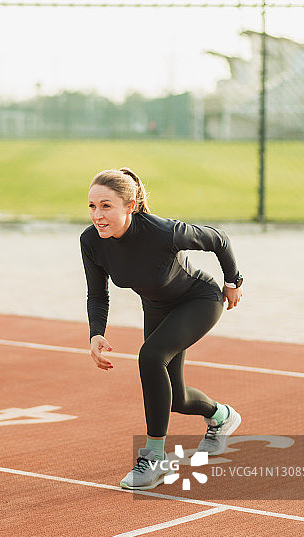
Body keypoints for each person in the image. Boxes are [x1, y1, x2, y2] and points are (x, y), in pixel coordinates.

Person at [80, 167, 243, 490]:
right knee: (175, 399)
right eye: (92, 206)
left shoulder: (162, 232)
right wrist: (96, 333)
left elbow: (218, 239)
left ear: (130, 206)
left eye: (106, 206)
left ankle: (154, 456)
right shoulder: (91, 241)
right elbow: (97, 294)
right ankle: (221, 416)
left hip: (199, 300)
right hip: (157, 307)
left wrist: (233, 281)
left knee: (150, 356)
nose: (97, 215)